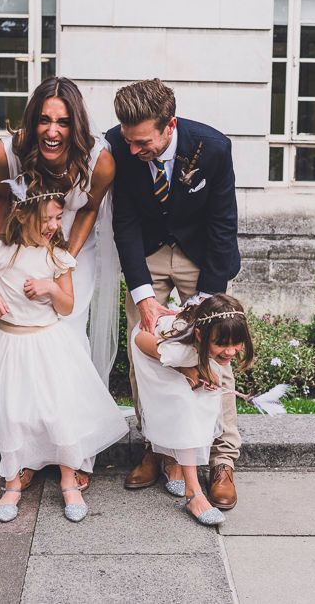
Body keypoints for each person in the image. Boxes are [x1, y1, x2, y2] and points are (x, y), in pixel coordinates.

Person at [106, 78, 242, 510]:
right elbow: (124, 222)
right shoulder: (118, 144)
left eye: (142, 142)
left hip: (201, 259)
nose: (133, 150)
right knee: (145, 355)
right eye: (128, 141)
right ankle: (158, 448)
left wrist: (202, 308)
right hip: (146, 257)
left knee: (216, 354)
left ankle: (221, 460)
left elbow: (223, 227)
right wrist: (143, 295)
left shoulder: (213, 148)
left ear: (170, 126)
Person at [0, 76, 121, 492]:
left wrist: (62, 257)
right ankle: (27, 453)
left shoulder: (100, 161)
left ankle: (75, 451)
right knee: (23, 345)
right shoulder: (4, 154)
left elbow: (89, 210)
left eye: (62, 122)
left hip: (72, 251)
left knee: (65, 341)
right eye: (44, 120)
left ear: (76, 124)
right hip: (19, 249)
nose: (52, 131)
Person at [0, 180, 128, 523]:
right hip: (10, 343)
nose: (54, 226)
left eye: (58, 218)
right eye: (47, 219)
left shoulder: (58, 258)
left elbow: (67, 305)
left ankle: (68, 479)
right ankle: (13, 482)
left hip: (48, 343)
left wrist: (49, 287)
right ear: (23, 215)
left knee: (58, 411)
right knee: (14, 411)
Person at [132, 294, 254, 526]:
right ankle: (194, 493)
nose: (230, 351)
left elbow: (201, 358)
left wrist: (197, 370)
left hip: (185, 353)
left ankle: (177, 464)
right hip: (152, 352)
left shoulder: (205, 340)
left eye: (236, 344)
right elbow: (140, 339)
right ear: (201, 336)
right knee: (182, 406)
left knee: (203, 401)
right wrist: (184, 368)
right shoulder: (179, 350)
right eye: (222, 344)